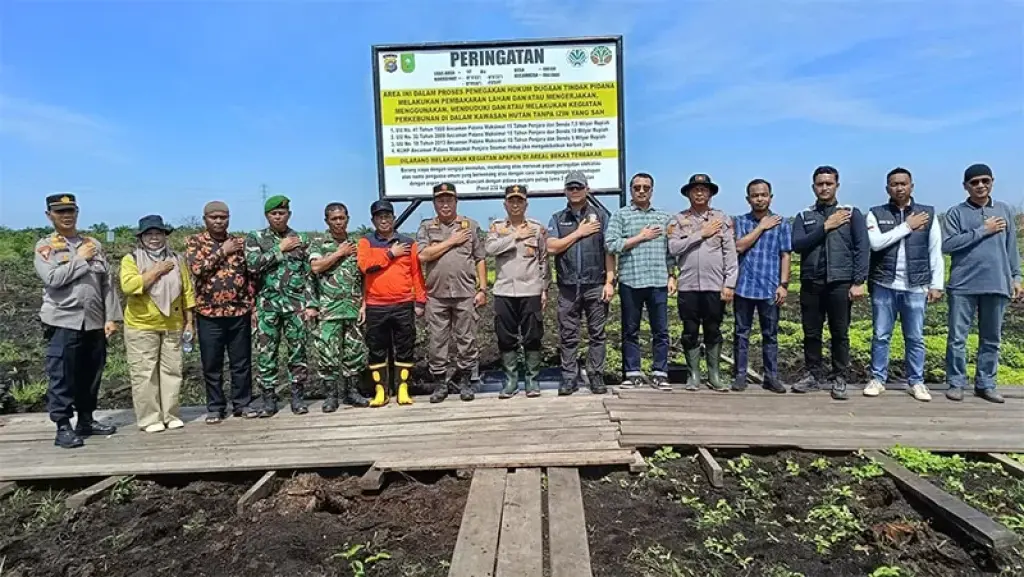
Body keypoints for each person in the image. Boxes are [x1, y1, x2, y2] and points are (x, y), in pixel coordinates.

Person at [33, 193, 122, 448]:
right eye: (60, 212)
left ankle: (86, 420)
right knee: (62, 376)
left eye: (71, 210)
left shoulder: (93, 243)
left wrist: (111, 317)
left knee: (91, 374)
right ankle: (62, 427)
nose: (67, 215)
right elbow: (53, 279)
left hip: (93, 321)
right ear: (50, 215)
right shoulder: (45, 246)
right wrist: (79, 258)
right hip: (63, 320)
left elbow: (107, 283)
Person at [942, 163, 1023, 403]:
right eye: (974, 182)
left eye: (985, 181)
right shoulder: (956, 213)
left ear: (992, 182)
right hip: (963, 285)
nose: (980, 186)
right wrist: (982, 230)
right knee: (958, 338)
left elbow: (1011, 248)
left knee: (992, 338)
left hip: (997, 283)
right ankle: (956, 383)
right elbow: (948, 245)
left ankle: (986, 384)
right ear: (965, 186)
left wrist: (1016, 277)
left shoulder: (1004, 210)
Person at [864, 168, 944, 402]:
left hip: (916, 286)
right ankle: (878, 379)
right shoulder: (876, 213)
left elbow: (934, 251)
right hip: (884, 283)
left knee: (915, 337)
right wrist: (907, 226)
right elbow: (876, 244)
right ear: (887, 188)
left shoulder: (928, 214)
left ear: (912, 186)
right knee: (880, 335)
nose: (899, 188)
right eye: (894, 184)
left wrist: (936, 284)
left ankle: (916, 382)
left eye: (903, 183)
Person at [791, 166, 869, 400]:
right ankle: (814, 375)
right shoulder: (804, 216)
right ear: (813, 186)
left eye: (829, 183)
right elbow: (797, 245)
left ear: (837, 185)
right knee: (811, 332)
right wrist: (824, 227)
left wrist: (858, 281)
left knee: (840, 332)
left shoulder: (851, 213)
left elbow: (861, 248)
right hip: (811, 282)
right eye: (819, 184)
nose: (824, 188)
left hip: (840, 282)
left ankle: (839, 377)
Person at [184, 201, 258, 424]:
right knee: (212, 363)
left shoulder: (239, 243)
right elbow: (197, 269)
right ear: (205, 218)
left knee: (241, 362)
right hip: (209, 314)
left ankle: (242, 404)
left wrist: (252, 305)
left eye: (223, 217)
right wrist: (221, 251)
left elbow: (250, 276)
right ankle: (215, 407)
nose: (219, 221)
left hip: (238, 312)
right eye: (214, 217)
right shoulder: (195, 242)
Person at [120, 215, 196, 433]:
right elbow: (129, 285)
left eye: (158, 233)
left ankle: (170, 414)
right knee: (144, 373)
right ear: (141, 237)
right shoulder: (131, 259)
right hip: (141, 324)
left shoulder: (177, 259)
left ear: (165, 235)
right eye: (149, 234)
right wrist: (156, 271)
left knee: (172, 370)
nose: (154, 238)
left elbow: (187, 290)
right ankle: (149, 418)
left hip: (173, 323)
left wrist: (189, 322)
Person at [245, 195, 317, 416]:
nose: (278, 217)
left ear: (289, 214)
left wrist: (311, 304)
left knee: (298, 352)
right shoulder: (255, 238)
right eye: (274, 214)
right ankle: (269, 399)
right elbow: (252, 266)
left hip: (295, 306)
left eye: (282, 213)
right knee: (267, 353)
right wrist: (280, 249)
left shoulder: (301, 238)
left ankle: (297, 397)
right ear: (267, 216)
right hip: (267, 306)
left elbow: (308, 275)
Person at [416, 183, 488, 403]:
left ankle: (466, 382)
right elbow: (423, 255)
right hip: (436, 295)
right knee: (437, 341)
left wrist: (483, 288)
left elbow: (480, 258)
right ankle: (440, 385)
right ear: (434, 203)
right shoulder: (427, 227)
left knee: (466, 339)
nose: (445, 204)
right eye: (440, 200)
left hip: (465, 292)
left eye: (449, 200)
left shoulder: (470, 226)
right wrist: (451, 241)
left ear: (456, 202)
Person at [668, 174, 738, 392]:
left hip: (714, 285)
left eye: (704, 189)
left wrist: (730, 284)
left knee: (713, 329)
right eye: (695, 189)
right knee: (689, 330)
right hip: (688, 286)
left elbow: (731, 254)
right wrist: (701, 234)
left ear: (710, 194)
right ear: (688, 194)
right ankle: (694, 374)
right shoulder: (678, 220)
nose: (699, 193)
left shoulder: (722, 219)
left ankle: (714, 375)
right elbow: (674, 248)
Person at [547, 171, 614, 396]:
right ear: (565, 191)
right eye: (571, 188)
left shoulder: (602, 216)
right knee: (568, 334)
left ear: (587, 189)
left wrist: (609, 281)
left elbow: (609, 250)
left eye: (578, 187)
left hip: (595, 283)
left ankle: (595, 375)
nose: (575, 191)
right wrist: (579, 233)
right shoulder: (557, 218)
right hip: (567, 285)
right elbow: (551, 247)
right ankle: (569, 377)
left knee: (597, 333)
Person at [605, 172, 674, 389]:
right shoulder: (621, 216)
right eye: (637, 187)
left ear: (652, 190)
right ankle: (632, 372)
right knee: (630, 330)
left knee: (660, 330)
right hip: (631, 280)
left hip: (658, 280)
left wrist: (672, 275)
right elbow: (611, 245)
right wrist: (640, 237)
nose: (641, 191)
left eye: (646, 187)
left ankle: (660, 372)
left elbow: (669, 250)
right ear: (631, 190)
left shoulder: (664, 217)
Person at [358, 200, 427, 407]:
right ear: (373, 220)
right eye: (380, 217)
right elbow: (365, 267)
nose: (384, 220)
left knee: (405, 347)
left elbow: (416, 273)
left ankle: (402, 388)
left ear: (394, 218)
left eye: (387, 216)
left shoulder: (408, 243)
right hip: (376, 305)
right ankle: (381, 391)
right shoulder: (366, 242)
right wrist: (390, 254)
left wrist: (420, 300)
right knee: (377, 349)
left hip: (403, 303)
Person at [485, 184, 549, 399]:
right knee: (505, 337)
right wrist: (516, 237)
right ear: (505, 204)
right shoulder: (496, 228)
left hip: (530, 289)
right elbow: (490, 249)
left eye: (519, 200)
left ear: (526, 203)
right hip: (504, 290)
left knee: (533, 337)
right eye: (511, 201)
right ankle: (511, 381)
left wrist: (544, 289)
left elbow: (543, 260)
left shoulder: (537, 228)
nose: (515, 204)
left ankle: (532, 380)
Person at [308, 202, 370, 411]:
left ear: (347, 219)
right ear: (326, 221)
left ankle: (352, 392)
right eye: (333, 219)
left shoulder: (357, 244)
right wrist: (338, 253)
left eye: (341, 218)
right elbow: (315, 267)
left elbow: (363, 277)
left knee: (354, 352)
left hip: (352, 308)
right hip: (328, 310)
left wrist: (363, 304)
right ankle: (331, 396)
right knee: (328, 354)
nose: (338, 222)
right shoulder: (319, 243)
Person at [732, 179, 791, 393]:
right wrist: (761, 227)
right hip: (743, 287)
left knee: (770, 334)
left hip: (769, 286)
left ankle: (771, 376)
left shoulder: (782, 223)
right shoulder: (739, 222)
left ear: (770, 197)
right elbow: (738, 247)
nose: (760, 199)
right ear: (748, 199)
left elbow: (785, 255)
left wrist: (783, 285)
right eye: (755, 195)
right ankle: (740, 375)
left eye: (764, 195)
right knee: (741, 333)